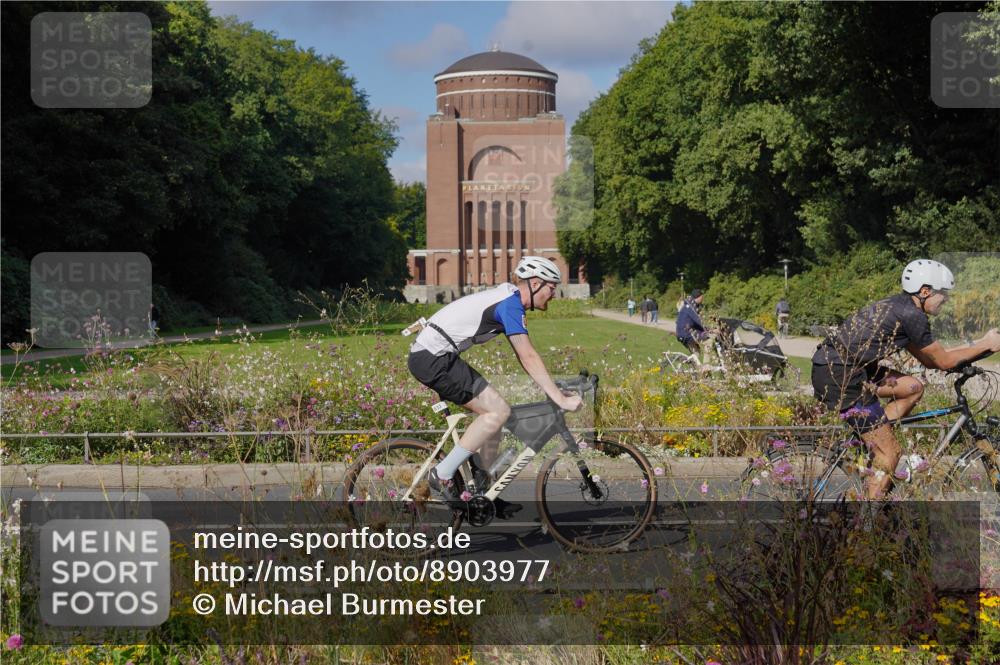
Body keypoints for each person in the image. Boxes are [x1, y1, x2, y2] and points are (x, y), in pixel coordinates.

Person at [407, 256, 583, 515]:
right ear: (535, 283)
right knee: (498, 411)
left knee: (497, 415)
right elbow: (528, 356)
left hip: (436, 356)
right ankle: (441, 474)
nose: (554, 293)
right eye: (552, 287)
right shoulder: (510, 305)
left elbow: (525, 358)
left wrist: (554, 389)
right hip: (433, 358)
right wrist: (559, 398)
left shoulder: (509, 299)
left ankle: (482, 490)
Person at [811, 259, 1000, 499]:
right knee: (890, 452)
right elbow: (943, 362)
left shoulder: (901, 307)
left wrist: (980, 347)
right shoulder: (912, 315)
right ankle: (866, 526)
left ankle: (872, 438)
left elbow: (933, 359)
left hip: (840, 366)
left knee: (912, 387)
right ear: (925, 291)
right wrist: (987, 343)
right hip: (842, 374)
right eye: (944, 294)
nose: (947, 299)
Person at [676, 289, 710, 355]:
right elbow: (699, 321)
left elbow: (696, 323)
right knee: (709, 342)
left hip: (682, 333)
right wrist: (711, 329)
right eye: (702, 297)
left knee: (696, 353)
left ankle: (687, 362)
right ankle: (707, 365)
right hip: (687, 333)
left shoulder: (689, 305)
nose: (703, 299)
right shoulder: (691, 307)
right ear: (699, 296)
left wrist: (706, 330)